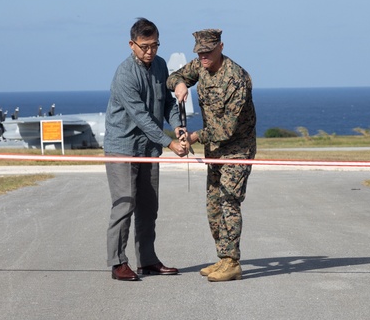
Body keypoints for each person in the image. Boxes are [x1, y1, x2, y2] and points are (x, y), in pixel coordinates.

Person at [167, 29, 256, 282]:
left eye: (208, 52)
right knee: (213, 204)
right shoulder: (201, 65)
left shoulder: (237, 78)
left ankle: (232, 262)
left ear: (221, 47)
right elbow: (173, 77)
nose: (203, 57)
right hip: (215, 150)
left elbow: (227, 128)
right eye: (200, 52)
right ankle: (223, 257)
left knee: (229, 201)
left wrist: (194, 137)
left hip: (237, 148)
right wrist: (181, 83)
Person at [104, 18, 188, 282]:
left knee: (149, 208)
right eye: (144, 46)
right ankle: (118, 263)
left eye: (155, 45)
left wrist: (178, 128)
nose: (150, 51)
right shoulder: (125, 74)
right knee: (125, 204)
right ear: (132, 45)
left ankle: (148, 261)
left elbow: (167, 106)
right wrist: (170, 144)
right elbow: (141, 117)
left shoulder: (161, 66)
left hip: (149, 150)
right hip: (122, 148)